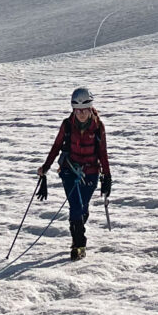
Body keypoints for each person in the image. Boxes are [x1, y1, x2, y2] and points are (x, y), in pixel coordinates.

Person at [37, 86, 112, 260]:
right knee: (75, 207)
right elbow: (56, 146)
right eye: (77, 110)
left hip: (91, 173)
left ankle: (77, 234)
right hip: (69, 171)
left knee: (82, 208)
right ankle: (79, 245)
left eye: (84, 110)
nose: (81, 114)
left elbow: (102, 153)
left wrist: (107, 176)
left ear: (90, 108)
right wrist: (46, 166)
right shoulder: (67, 125)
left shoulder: (98, 126)